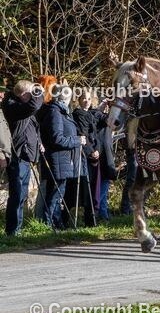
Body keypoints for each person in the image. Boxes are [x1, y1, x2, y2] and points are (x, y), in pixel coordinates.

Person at [38, 84, 87, 229]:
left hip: (63, 159)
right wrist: (78, 140)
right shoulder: (55, 112)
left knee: (58, 192)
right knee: (55, 193)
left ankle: (56, 222)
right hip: (58, 158)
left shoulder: (61, 111)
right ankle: (49, 224)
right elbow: (57, 138)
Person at [3, 80, 43, 236]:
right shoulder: (12, 106)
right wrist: (39, 90)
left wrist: (39, 142)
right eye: (30, 93)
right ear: (23, 94)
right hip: (16, 155)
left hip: (26, 156)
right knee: (17, 194)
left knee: (22, 194)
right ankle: (12, 230)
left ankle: (17, 228)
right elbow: (34, 106)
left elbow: (34, 126)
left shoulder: (23, 107)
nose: (33, 96)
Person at [68, 92, 99, 227]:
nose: (87, 101)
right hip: (84, 155)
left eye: (89, 98)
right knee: (84, 187)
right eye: (84, 99)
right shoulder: (79, 115)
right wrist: (91, 151)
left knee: (92, 186)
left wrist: (98, 150)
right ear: (79, 100)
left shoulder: (90, 114)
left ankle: (91, 218)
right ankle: (87, 219)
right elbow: (83, 135)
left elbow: (95, 135)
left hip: (93, 153)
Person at [91, 99, 117, 221]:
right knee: (103, 185)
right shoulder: (95, 115)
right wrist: (100, 107)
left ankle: (103, 213)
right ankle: (95, 210)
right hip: (101, 153)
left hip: (106, 153)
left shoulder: (105, 116)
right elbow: (97, 116)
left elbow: (116, 123)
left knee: (105, 184)